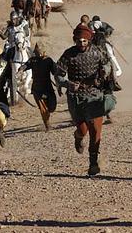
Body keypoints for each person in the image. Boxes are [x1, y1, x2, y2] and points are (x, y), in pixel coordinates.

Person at [57, 25, 115, 175]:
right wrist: (67, 84)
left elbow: (108, 65)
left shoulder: (97, 52)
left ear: (88, 40)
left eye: (84, 41)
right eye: (79, 40)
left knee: (95, 131)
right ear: (75, 40)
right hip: (76, 97)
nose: (81, 43)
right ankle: (78, 136)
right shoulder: (68, 55)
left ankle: (93, 163)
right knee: (83, 129)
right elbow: (58, 74)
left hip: (94, 95)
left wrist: (105, 71)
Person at [18, 42, 58, 131]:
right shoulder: (33, 60)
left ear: (44, 51)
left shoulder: (48, 60)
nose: (38, 53)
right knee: (43, 108)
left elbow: (55, 71)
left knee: (52, 107)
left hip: (48, 87)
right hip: (37, 88)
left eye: (39, 51)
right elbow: (26, 65)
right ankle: (47, 125)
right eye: (36, 52)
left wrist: (59, 74)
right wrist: (21, 69)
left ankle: (48, 116)